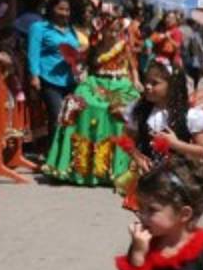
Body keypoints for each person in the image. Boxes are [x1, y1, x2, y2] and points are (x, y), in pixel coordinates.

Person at [41, 15, 141, 185]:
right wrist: (78, 67)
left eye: (118, 29)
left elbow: (133, 67)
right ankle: (77, 165)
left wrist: (137, 81)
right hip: (96, 83)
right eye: (111, 28)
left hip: (120, 85)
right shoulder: (94, 47)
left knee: (123, 110)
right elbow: (83, 64)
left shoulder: (125, 46)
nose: (114, 32)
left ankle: (119, 168)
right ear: (102, 29)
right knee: (77, 104)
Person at [115, 59, 203, 210]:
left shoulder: (190, 116)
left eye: (154, 83)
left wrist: (175, 144)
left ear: (172, 86)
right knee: (148, 220)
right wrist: (137, 156)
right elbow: (125, 138)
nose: (147, 86)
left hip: (178, 180)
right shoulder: (140, 111)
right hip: (148, 180)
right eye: (146, 81)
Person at [27, 0, 80, 132]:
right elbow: (33, 52)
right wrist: (34, 76)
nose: (64, 13)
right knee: (57, 118)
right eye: (60, 9)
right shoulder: (39, 27)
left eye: (67, 10)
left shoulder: (72, 30)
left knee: (71, 117)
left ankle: (66, 151)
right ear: (51, 9)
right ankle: (52, 151)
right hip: (49, 79)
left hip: (70, 80)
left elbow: (76, 52)